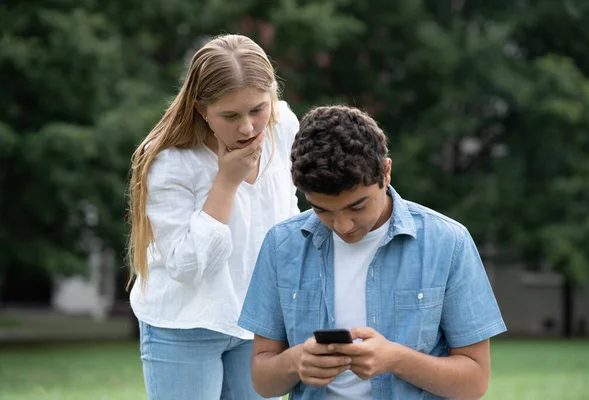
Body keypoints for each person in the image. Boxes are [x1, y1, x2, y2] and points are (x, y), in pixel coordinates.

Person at [238, 105, 507, 399]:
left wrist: (395, 359)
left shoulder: (448, 243)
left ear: (386, 173)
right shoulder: (281, 245)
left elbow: (475, 383)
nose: (342, 225)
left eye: (357, 206)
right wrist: (295, 361)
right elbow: (262, 382)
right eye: (322, 210)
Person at [127, 34, 300, 400]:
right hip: (183, 324)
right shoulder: (170, 161)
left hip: (254, 323)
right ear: (202, 109)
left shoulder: (283, 128)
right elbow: (186, 267)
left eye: (257, 109)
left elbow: (287, 219)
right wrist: (226, 182)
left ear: (272, 95)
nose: (248, 128)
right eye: (230, 116)